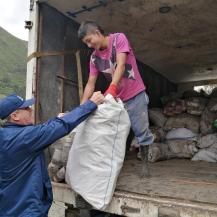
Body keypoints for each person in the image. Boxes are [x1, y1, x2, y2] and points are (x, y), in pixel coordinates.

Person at [0, 92, 104, 217]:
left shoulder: (6, 136)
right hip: (27, 210)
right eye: (26, 108)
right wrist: (91, 104)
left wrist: (58, 119)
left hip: (8, 208)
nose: (31, 110)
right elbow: (59, 127)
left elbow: (41, 131)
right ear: (15, 115)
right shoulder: (25, 137)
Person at [78, 20, 154, 177]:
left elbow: (120, 64)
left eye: (89, 41)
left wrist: (111, 88)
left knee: (141, 130)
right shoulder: (94, 58)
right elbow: (90, 84)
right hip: (117, 100)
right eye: (86, 43)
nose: (89, 45)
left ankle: (145, 164)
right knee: (113, 132)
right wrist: (82, 107)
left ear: (97, 33)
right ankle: (113, 166)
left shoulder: (119, 39)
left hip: (135, 94)